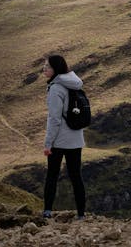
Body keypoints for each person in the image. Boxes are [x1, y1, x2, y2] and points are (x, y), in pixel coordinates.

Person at [42, 54, 85, 220]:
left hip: (59, 140)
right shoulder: (74, 84)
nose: (44, 69)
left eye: (47, 66)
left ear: (56, 69)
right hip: (76, 138)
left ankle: (47, 211)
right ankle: (81, 214)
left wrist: (48, 143)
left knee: (52, 175)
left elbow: (54, 119)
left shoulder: (56, 88)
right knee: (76, 177)